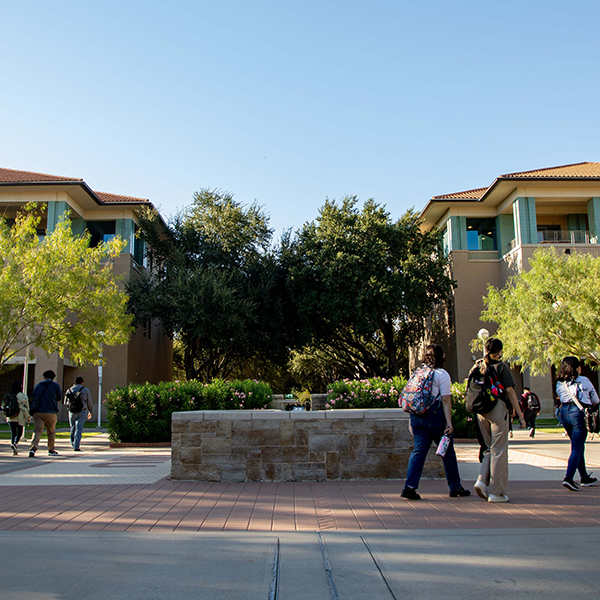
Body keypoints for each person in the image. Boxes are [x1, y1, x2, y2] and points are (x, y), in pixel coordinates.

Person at [401, 344, 471, 500]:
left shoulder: (418, 373)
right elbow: (446, 398)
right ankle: (455, 487)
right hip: (435, 417)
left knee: (418, 451)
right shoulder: (442, 374)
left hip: (417, 417)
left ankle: (409, 487)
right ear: (441, 357)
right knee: (447, 452)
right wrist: (449, 422)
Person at [472, 337, 526, 503]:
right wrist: (521, 415)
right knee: (499, 450)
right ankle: (497, 492)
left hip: (480, 410)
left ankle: (482, 480)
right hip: (497, 410)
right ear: (500, 351)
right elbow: (510, 392)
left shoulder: (477, 365)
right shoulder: (501, 367)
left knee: (488, 448)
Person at [555, 356, 599, 491]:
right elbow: (595, 399)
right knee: (576, 448)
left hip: (564, 413)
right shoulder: (584, 380)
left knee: (578, 446)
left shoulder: (559, 383)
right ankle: (568, 477)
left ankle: (584, 476)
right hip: (578, 414)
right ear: (576, 368)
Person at [29, 370, 62, 457]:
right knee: (51, 432)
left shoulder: (38, 386)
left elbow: (34, 396)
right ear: (53, 377)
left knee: (37, 431)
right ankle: (51, 450)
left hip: (38, 412)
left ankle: (33, 448)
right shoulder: (55, 386)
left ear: (44, 377)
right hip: (51, 412)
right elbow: (59, 398)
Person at [65, 376, 93, 452]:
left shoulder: (69, 390)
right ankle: (76, 446)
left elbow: (65, 402)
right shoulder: (85, 390)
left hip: (72, 411)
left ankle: (72, 443)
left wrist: (69, 407)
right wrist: (90, 411)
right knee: (79, 428)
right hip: (82, 411)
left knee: (72, 427)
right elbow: (89, 401)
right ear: (82, 382)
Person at [5, 380, 30, 456]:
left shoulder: (8, 395)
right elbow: (26, 407)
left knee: (13, 432)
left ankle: (13, 445)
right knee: (19, 432)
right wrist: (28, 416)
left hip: (10, 416)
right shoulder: (22, 396)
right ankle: (15, 444)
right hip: (19, 416)